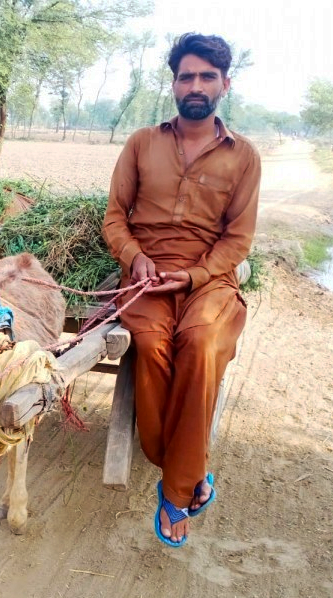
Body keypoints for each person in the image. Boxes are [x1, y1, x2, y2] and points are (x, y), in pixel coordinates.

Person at [102, 33, 261, 547]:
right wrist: (137, 258)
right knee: (150, 346)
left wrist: (193, 276)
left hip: (209, 278)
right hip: (146, 274)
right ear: (173, 83)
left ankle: (174, 491)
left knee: (200, 343)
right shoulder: (141, 143)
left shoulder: (244, 157)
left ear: (224, 84)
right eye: (186, 76)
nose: (195, 85)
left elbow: (238, 239)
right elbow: (113, 220)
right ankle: (187, 471)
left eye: (206, 77)